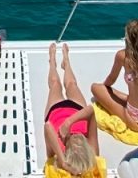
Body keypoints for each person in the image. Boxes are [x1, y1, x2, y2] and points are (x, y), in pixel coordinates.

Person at [90, 19, 138, 132]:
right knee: (124, 96)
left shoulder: (123, 56)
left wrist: (105, 88)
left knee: (96, 88)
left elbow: (111, 79)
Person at [43, 42, 100, 178]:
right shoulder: (93, 151)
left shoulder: (59, 151)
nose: (75, 137)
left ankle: (52, 62)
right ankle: (66, 62)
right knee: (71, 84)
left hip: (55, 111)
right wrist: (69, 122)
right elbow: (90, 111)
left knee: (55, 84)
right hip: (76, 109)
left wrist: (62, 161)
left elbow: (48, 127)